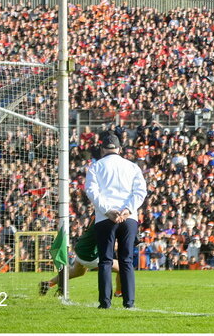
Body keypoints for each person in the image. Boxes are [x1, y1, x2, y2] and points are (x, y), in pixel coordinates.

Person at [86, 132, 148, 309]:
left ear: (102, 149)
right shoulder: (132, 167)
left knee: (105, 261)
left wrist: (109, 211)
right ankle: (129, 302)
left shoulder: (96, 167)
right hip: (129, 218)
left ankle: (105, 302)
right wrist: (127, 210)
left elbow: (92, 191)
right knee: (126, 260)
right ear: (120, 149)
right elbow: (140, 192)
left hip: (105, 218)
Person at [39, 221, 121, 297]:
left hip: (80, 249)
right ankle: (118, 293)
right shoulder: (107, 224)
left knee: (77, 272)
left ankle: (48, 283)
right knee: (122, 268)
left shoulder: (98, 220)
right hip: (89, 255)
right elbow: (113, 245)